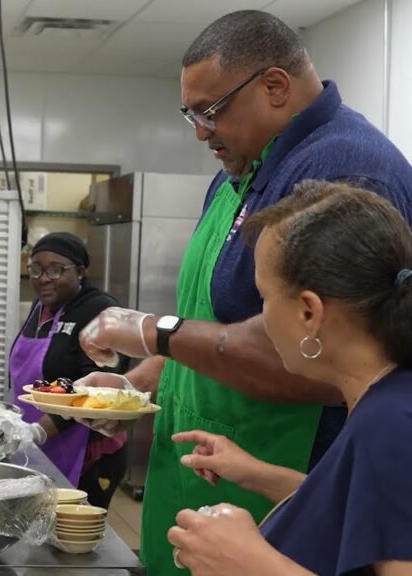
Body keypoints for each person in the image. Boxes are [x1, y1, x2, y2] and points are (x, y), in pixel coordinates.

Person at [75, 10, 412, 576]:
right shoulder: (246, 166)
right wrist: (134, 389)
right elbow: (211, 324)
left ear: (275, 87)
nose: (200, 131)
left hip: (279, 474)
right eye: (190, 115)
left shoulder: (349, 170)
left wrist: (149, 330)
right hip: (235, 470)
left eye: (209, 112)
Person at [168, 181, 412, 576]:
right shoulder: (383, 399)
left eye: (264, 297)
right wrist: (258, 474)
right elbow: (358, 510)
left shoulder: (391, 425)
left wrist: (251, 563)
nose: (262, 318)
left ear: (309, 313)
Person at [9, 232, 129, 509]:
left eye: (56, 269)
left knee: (72, 529)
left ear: (81, 271)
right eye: (36, 269)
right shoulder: (42, 306)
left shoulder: (102, 310)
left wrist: (38, 431)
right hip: (38, 444)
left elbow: (97, 391)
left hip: (87, 450)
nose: (43, 278)